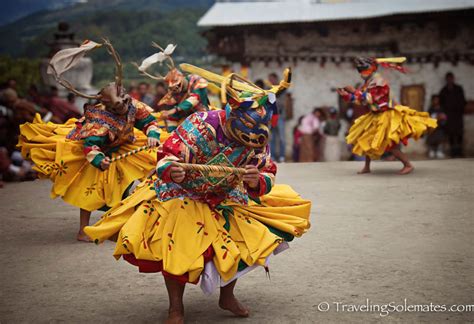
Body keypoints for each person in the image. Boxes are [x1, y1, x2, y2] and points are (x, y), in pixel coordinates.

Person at [84, 66, 311, 323]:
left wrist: (256, 180)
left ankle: (227, 296)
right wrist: (172, 170)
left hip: (225, 194)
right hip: (182, 193)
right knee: (177, 246)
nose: (251, 138)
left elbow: (267, 171)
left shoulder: (258, 140)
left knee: (245, 243)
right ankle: (176, 307)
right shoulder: (200, 123)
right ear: (232, 115)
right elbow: (166, 157)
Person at [18, 40, 170, 242]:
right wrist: (99, 160)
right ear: (108, 106)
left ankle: (121, 223)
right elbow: (90, 145)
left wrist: (152, 134)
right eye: (118, 106)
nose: (124, 107)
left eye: (125, 101)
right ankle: (84, 230)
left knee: (135, 177)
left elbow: (149, 121)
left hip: (124, 144)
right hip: (98, 151)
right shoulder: (99, 122)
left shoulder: (133, 103)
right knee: (90, 191)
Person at [337, 57, 437, 174]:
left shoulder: (379, 81)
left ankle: (408, 165)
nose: (361, 74)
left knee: (391, 145)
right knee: (365, 140)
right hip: (375, 115)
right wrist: (346, 95)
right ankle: (367, 167)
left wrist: (354, 91)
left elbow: (370, 99)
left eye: (363, 71)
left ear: (371, 69)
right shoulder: (369, 82)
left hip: (386, 115)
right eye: (360, 71)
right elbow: (361, 101)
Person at [135, 43, 210, 133]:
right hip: (186, 119)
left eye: (177, 85)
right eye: (173, 87)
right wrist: (171, 133)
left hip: (204, 116)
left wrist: (172, 110)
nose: (176, 89)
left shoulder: (196, 80)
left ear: (182, 78)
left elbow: (194, 99)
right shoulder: (173, 93)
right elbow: (172, 117)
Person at [439, 72, 466, 157]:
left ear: (453, 79)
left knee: (459, 133)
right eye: (448, 79)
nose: (450, 80)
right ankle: (453, 151)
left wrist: (460, 109)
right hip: (449, 115)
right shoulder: (443, 91)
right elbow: (441, 103)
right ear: (446, 80)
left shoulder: (458, 89)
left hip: (458, 115)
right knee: (450, 133)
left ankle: (459, 151)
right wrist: (444, 113)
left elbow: (463, 101)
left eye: (451, 78)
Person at [268, 72, 287, 162]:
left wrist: (273, 101)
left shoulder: (282, 90)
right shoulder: (269, 90)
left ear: (276, 79)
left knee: (282, 137)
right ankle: (273, 157)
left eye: (271, 79)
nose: (270, 81)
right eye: (269, 79)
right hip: (271, 117)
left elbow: (282, 103)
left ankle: (282, 156)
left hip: (280, 116)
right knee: (272, 137)